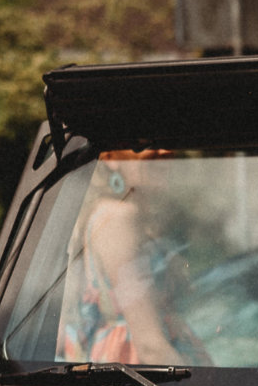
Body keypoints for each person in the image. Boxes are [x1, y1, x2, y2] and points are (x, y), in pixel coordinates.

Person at [57, 153, 207, 365]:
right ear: (111, 159)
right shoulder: (117, 219)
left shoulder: (124, 215)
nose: (163, 152)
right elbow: (150, 348)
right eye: (145, 144)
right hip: (149, 376)